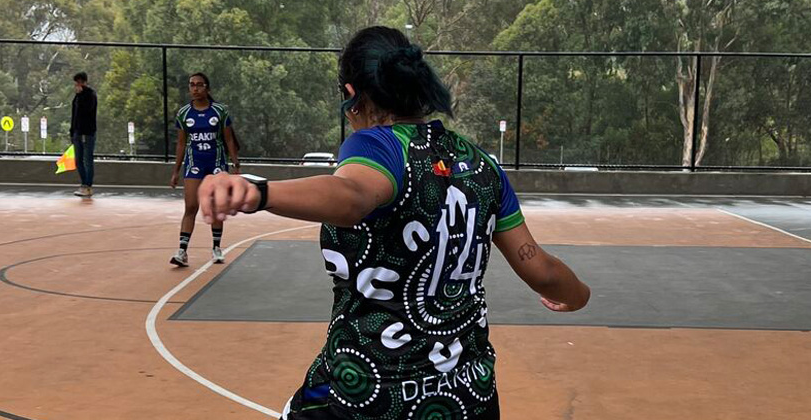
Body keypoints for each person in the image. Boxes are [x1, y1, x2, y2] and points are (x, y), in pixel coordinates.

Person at [197, 26, 591, 419]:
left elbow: (352, 196)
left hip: (371, 395)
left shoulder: (378, 145)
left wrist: (259, 193)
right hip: (469, 396)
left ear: (352, 95)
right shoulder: (481, 164)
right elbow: (539, 267)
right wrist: (578, 295)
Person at [169, 72, 240, 267]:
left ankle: (216, 248)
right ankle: (182, 251)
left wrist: (235, 163)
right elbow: (181, 144)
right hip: (194, 165)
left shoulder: (219, 112)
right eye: (192, 85)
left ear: (207, 88)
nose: (195, 88)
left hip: (216, 165)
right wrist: (176, 171)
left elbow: (228, 139)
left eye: (200, 85)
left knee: (216, 206)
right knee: (191, 206)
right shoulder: (184, 113)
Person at [70, 72, 97, 198]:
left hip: (87, 132)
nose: (77, 85)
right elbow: (74, 115)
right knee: (78, 160)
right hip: (77, 132)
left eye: (79, 82)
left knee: (87, 159)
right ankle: (83, 184)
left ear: (84, 82)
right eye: (76, 83)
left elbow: (86, 110)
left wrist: (81, 95)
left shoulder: (90, 95)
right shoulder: (77, 96)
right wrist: (72, 131)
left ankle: (88, 185)